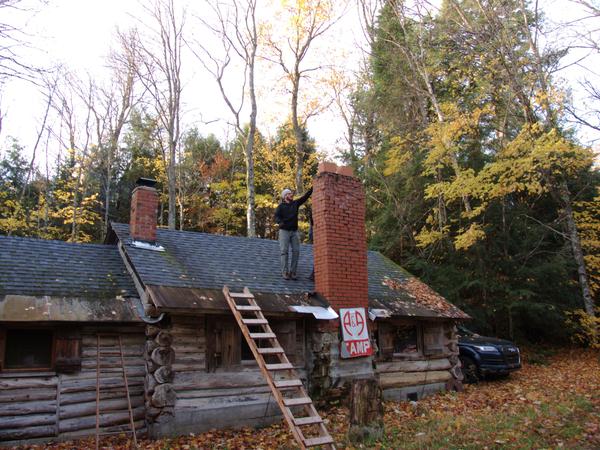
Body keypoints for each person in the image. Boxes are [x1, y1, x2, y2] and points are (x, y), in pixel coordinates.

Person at [274, 186, 313, 280]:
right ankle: (285, 272)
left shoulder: (295, 203)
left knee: (296, 251)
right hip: (284, 231)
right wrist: (280, 222)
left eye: (291, 193)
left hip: (294, 231)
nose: (291, 195)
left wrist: (312, 188)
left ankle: (293, 272)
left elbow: (304, 197)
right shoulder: (280, 207)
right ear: (284, 196)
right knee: (284, 252)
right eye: (288, 194)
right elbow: (276, 217)